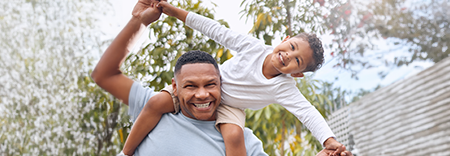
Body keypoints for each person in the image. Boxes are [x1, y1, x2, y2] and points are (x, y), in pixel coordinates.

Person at [122, 1, 352, 156]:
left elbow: (308, 112)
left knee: (234, 136)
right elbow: (214, 29)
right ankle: (126, 152)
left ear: (297, 73)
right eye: (291, 47)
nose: (288, 55)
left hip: (230, 107)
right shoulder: (252, 47)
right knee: (155, 103)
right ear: (285, 38)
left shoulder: (284, 88)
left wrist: (328, 141)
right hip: (208, 87)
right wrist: (173, 11)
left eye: (297, 60)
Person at [91, 1, 269, 155]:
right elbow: (104, 74)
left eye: (210, 84)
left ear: (221, 84)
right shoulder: (152, 108)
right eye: (190, 86)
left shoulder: (240, 140)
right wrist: (139, 21)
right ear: (174, 87)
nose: (201, 94)